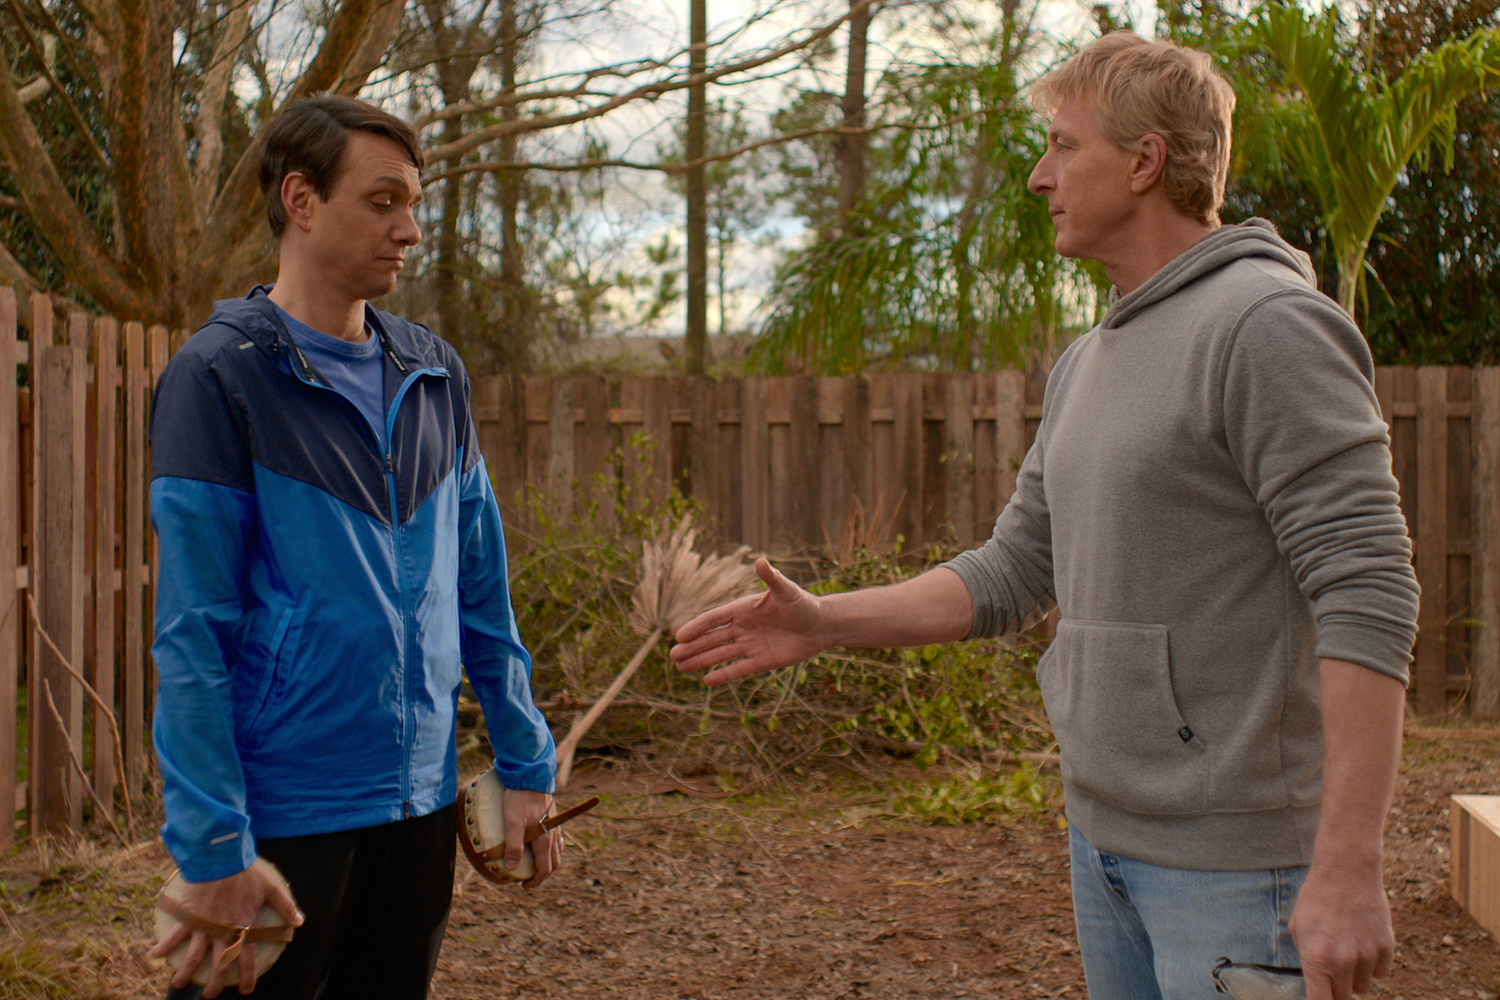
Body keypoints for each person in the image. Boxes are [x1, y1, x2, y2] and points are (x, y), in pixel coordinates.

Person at [670, 32, 1419, 1000]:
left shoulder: (1265, 325)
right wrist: (823, 623)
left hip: (1243, 868)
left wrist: (1351, 866)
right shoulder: (1091, 358)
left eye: (1065, 146)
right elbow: (1015, 572)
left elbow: (1368, 588)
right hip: (1105, 842)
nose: (1038, 175)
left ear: (1147, 161)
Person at [146, 94, 560, 1000]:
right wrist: (214, 840)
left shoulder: (434, 372)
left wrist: (528, 764)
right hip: (284, 816)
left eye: (414, 203)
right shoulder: (219, 378)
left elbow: (481, 592)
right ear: (300, 201)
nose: (409, 228)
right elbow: (191, 636)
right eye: (383, 202)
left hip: (419, 806)